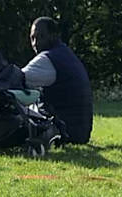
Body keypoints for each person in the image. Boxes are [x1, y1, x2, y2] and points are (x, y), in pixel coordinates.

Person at [21, 16, 93, 144]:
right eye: (32, 38)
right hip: (80, 132)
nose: (35, 43)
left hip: (63, 131)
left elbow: (16, 79)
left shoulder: (49, 59)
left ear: (53, 36)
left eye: (41, 36)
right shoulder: (66, 55)